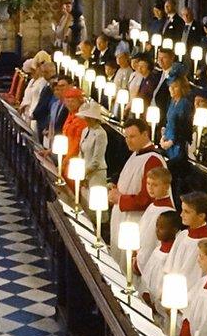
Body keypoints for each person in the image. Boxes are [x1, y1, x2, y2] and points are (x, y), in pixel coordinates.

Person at [108, 115, 164, 256]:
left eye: (132, 136)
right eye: (126, 137)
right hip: (124, 218)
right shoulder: (136, 154)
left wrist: (120, 199)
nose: (128, 141)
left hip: (136, 221)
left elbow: (148, 199)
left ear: (145, 134)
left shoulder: (153, 160)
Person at [165, 191, 207, 286]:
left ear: (201, 216)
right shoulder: (183, 235)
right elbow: (170, 265)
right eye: (182, 210)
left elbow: (195, 278)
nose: (181, 215)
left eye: (186, 212)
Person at [139, 208, 181, 313]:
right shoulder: (157, 250)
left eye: (162, 227)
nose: (157, 230)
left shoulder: (172, 257)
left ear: (174, 230)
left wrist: (156, 303)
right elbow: (147, 276)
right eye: (157, 226)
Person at [136, 164, 176, 271]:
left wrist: (139, 264)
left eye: (155, 185)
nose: (150, 188)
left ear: (166, 187)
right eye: (148, 184)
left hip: (150, 264)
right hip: (139, 256)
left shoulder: (166, 212)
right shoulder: (153, 205)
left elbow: (151, 242)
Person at [75, 100, 108, 192]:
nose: (87, 119)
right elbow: (80, 153)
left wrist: (84, 173)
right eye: (86, 116)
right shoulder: (85, 130)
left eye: (90, 117)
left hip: (96, 175)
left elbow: (96, 161)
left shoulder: (101, 134)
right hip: (84, 173)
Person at [161, 74, 193, 163]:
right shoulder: (172, 101)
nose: (172, 89)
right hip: (168, 140)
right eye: (170, 87)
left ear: (182, 88)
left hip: (178, 144)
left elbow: (183, 126)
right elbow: (168, 122)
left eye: (175, 87)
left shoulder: (185, 103)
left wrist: (172, 141)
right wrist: (163, 137)